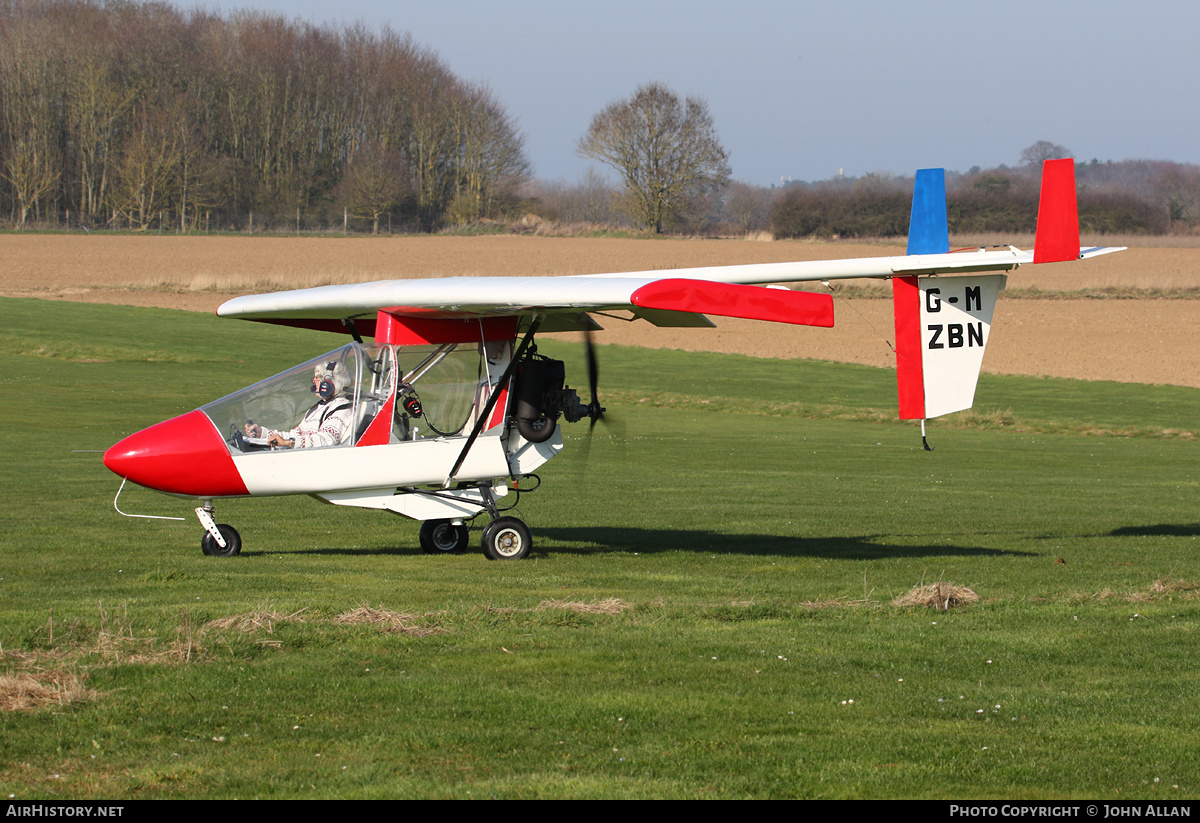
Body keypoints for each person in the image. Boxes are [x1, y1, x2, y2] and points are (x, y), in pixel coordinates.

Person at [245, 360, 355, 449]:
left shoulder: (341, 408)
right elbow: (296, 435)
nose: (314, 381)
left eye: (318, 378)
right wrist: (261, 433)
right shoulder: (318, 407)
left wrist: (289, 443)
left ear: (329, 383)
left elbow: (326, 440)